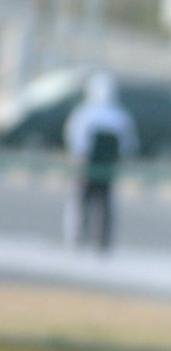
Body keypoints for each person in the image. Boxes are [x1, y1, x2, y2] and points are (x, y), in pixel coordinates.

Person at [64, 71, 139, 252]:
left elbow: (76, 142)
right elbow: (129, 145)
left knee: (82, 203)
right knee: (104, 205)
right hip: (108, 169)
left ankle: (78, 239)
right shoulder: (120, 116)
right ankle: (102, 243)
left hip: (87, 167)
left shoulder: (84, 113)